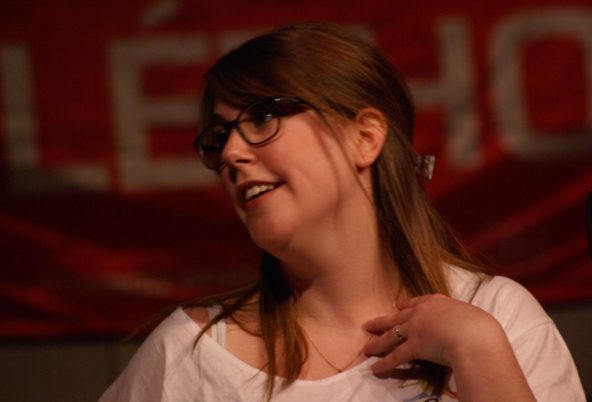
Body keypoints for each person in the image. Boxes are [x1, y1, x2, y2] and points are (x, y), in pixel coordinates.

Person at [99, 21, 586, 402]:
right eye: (218, 137)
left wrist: (476, 350)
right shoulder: (190, 354)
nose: (230, 153)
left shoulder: (494, 317)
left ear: (365, 137)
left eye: (263, 117)